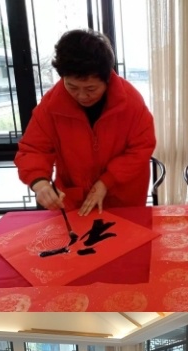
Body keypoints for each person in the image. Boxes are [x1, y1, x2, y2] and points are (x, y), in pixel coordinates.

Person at [14, 28, 156, 216]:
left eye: (91, 89)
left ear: (107, 79)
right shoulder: (51, 105)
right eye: (72, 87)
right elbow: (33, 149)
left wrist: (106, 181)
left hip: (122, 195)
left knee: (125, 233)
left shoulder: (130, 102)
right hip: (75, 199)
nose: (81, 96)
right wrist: (39, 182)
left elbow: (141, 147)